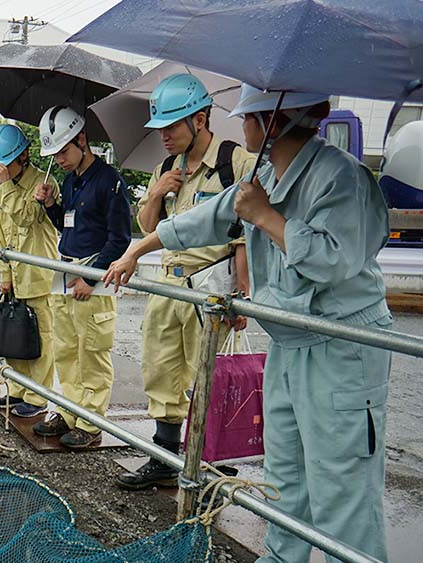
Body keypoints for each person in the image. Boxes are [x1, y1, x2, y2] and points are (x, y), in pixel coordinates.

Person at [104, 85, 392, 563]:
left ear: (273, 122)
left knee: (343, 486)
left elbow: (333, 262)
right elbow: (206, 218)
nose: (242, 126)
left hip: (341, 348)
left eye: (248, 117)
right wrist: (139, 248)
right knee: (286, 478)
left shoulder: (342, 178)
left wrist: (266, 217)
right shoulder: (264, 176)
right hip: (288, 339)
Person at [118, 74, 256, 489]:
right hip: (167, 283)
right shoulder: (164, 168)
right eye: (160, 128)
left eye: (172, 126)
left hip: (211, 286)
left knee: (208, 374)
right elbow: (146, 226)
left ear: (200, 119)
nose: (164, 136)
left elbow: (246, 232)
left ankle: (207, 461)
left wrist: (242, 295)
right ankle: (163, 455)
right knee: (161, 369)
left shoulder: (236, 162)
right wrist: (157, 192)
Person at [30, 106, 132, 450]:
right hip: (67, 272)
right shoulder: (70, 181)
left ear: (82, 140)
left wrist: (93, 279)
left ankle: (90, 421)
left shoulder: (109, 181)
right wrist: (49, 206)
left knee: (92, 352)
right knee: (67, 349)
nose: (58, 159)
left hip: (93, 279)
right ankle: (69, 410)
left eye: (62, 150)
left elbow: (120, 239)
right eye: (54, 153)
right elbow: (68, 224)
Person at [0, 123, 60, 418]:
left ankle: (38, 396)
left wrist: (4, 185)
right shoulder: (0, 189)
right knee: (14, 331)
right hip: (13, 271)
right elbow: (2, 233)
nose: (2, 171)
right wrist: (5, 274)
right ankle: (17, 386)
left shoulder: (43, 182)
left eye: (7, 165)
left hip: (37, 272)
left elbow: (27, 217)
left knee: (40, 334)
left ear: (23, 156)